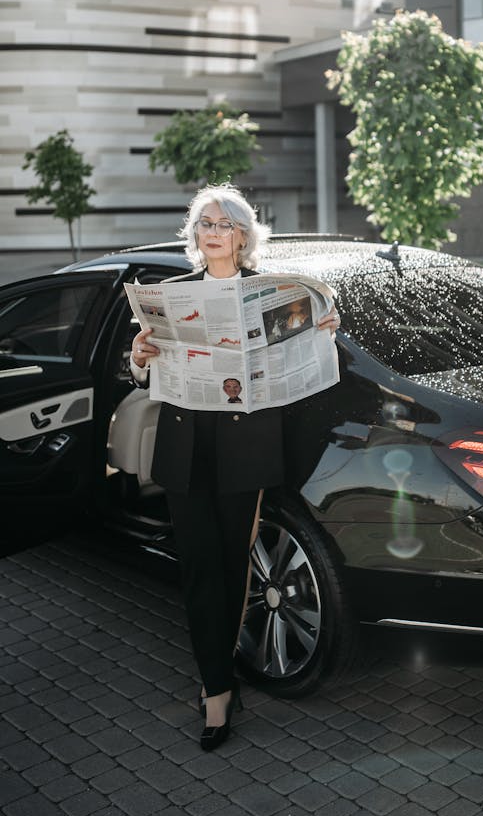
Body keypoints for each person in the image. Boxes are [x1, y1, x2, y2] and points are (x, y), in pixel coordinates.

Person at [130, 183, 339, 750]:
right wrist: (140, 356)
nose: (213, 232)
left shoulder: (268, 294)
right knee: (199, 568)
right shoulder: (171, 294)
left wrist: (322, 329)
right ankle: (216, 689)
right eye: (204, 223)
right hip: (184, 446)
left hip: (244, 447)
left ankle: (219, 673)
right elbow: (146, 369)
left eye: (223, 224)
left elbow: (304, 367)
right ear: (195, 236)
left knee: (231, 567)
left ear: (243, 236)